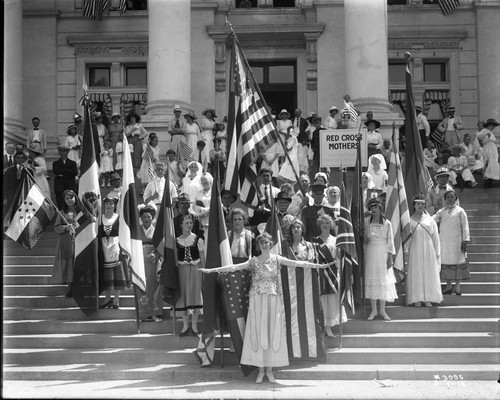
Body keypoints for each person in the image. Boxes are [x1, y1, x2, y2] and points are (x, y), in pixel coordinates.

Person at [200, 232, 329, 384]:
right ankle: (261, 370)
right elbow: (234, 267)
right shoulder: (253, 261)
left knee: (271, 331)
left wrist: (318, 266)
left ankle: (270, 370)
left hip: (273, 300)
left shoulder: (277, 259)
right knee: (259, 332)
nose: (264, 245)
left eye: (267, 242)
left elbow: (298, 264)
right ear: (258, 245)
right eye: (262, 243)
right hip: (257, 300)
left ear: (270, 243)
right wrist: (212, 270)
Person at [312, 214, 347, 337]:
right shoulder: (314, 241)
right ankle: (322, 326)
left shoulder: (336, 240)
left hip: (332, 272)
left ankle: (329, 327)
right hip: (320, 273)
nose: (325, 225)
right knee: (322, 301)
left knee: (331, 300)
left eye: (327, 223)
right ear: (319, 225)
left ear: (331, 224)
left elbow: (340, 259)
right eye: (323, 223)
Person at [406, 194, 443, 307]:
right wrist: (406, 251)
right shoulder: (409, 220)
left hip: (429, 250)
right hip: (415, 249)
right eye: (418, 203)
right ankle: (417, 298)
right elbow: (407, 239)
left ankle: (429, 298)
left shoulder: (430, 220)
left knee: (428, 272)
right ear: (414, 205)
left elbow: (435, 237)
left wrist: (437, 252)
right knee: (416, 272)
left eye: (422, 203)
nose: (420, 205)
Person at [364, 198, 397, 321]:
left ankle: (382, 310)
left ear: (380, 208)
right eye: (371, 207)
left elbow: (390, 241)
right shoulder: (366, 221)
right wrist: (364, 239)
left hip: (383, 252)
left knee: (383, 280)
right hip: (371, 251)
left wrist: (390, 257)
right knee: (373, 279)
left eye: (375, 207)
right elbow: (363, 236)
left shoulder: (387, 223)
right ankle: (374, 310)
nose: (373, 209)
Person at [434, 190, 470, 296]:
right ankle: (449, 286)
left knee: (458, 263)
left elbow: (465, 226)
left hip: (457, 242)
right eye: (448, 197)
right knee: (447, 264)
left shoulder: (460, 211)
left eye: (452, 197)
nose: (450, 199)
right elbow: (432, 220)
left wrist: (465, 240)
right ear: (445, 199)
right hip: (444, 243)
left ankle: (458, 287)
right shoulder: (442, 211)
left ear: (455, 198)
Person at [176, 214, 205, 336]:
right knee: (184, 295)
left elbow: (202, 256)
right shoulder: (176, 240)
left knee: (195, 295)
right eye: (186, 222)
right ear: (181, 225)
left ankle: (194, 326)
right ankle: (185, 325)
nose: (189, 225)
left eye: (190, 223)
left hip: (196, 269)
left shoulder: (198, 239)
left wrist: (204, 271)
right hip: (182, 270)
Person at [99, 197, 129, 309]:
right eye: (107, 203)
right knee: (107, 275)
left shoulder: (119, 218)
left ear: (115, 205)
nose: (109, 206)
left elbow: (124, 233)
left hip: (116, 248)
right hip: (103, 248)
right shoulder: (100, 218)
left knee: (117, 274)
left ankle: (116, 299)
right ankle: (107, 298)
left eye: (111, 204)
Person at [137, 205, 163, 322]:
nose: (146, 219)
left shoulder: (156, 231)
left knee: (154, 288)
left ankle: (155, 313)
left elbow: (161, 248)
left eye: (148, 216)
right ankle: (143, 314)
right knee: (142, 288)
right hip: (140, 263)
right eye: (144, 216)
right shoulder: (137, 230)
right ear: (141, 218)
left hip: (153, 262)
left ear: (152, 218)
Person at [52, 190, 79, 297]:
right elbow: (56, 228)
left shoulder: (81, 211)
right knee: (69, 264)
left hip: (80, 240)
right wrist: (65, 228)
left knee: (79, 262)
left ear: (75, 198)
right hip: (67, 242)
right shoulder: (62, 213)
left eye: (71, 197)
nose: (69, 200)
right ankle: (70, 288)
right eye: (67, 198)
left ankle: (81, 286)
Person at [53, 145, 78, 209]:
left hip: (70, 186)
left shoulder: (72, 163)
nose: (63, 153)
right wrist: (68, 171)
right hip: (60, 186)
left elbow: (74, 172)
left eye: (65, 151)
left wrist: (62, 174)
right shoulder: (55, 163)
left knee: (71, 204)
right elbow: (56, 171)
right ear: (59, 152)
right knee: (60, 204)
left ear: (67, 152)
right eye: (61, 151)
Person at [189, 172, 213, 237]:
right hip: (201, 222)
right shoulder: (199, 192)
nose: (204, 182)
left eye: (205, 179)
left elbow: (218, 206)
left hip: (212, 221)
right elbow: (195, 206)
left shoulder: (215, 192)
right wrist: (203, 211)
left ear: (210, 180)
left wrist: (205, 210)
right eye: (202, 180)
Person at [477, 118, 500, 187]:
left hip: (492, 148)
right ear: (489, 125)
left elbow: (494, 141)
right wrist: (486, 133)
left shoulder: (490, 132)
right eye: (493, 126)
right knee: (487, 163)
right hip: (487, 148)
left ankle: (490, 179)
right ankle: (486, 179)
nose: (493, 127)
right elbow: (478, 136)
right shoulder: (485, 130)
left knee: (492, 163)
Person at [292, 108, 310, 174]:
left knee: (302, 156)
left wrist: (305, 140)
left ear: (300, 113)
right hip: (294, 141)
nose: (297, 113)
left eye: (298, 112)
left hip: (301, 141)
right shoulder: (292, 120)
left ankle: (302, 170)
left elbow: (307, 131)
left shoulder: (304, 121)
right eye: (296, 112)